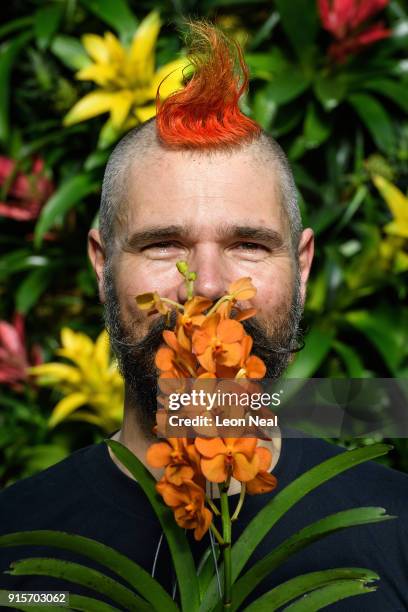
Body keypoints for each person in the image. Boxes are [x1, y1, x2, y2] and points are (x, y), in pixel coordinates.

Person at [0, 21, 407, 611]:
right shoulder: (16, 541)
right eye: (164, 244)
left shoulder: (394, 529)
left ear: (303, 267)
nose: (210, 287)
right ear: (101, 265)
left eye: (249, 245)